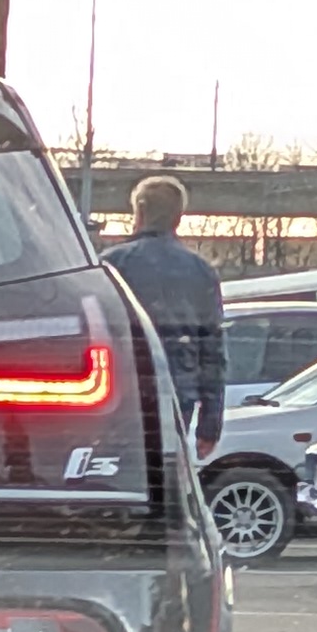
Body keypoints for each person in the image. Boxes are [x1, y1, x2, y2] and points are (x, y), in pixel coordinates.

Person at [100, 172, 228, 443]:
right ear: (178, 218)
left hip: (121, 391)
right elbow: (213, 352)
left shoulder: (111, 266)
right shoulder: (201, 271)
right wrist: (210, 425)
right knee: (167, 470)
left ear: (140, 212)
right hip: (178, 391)